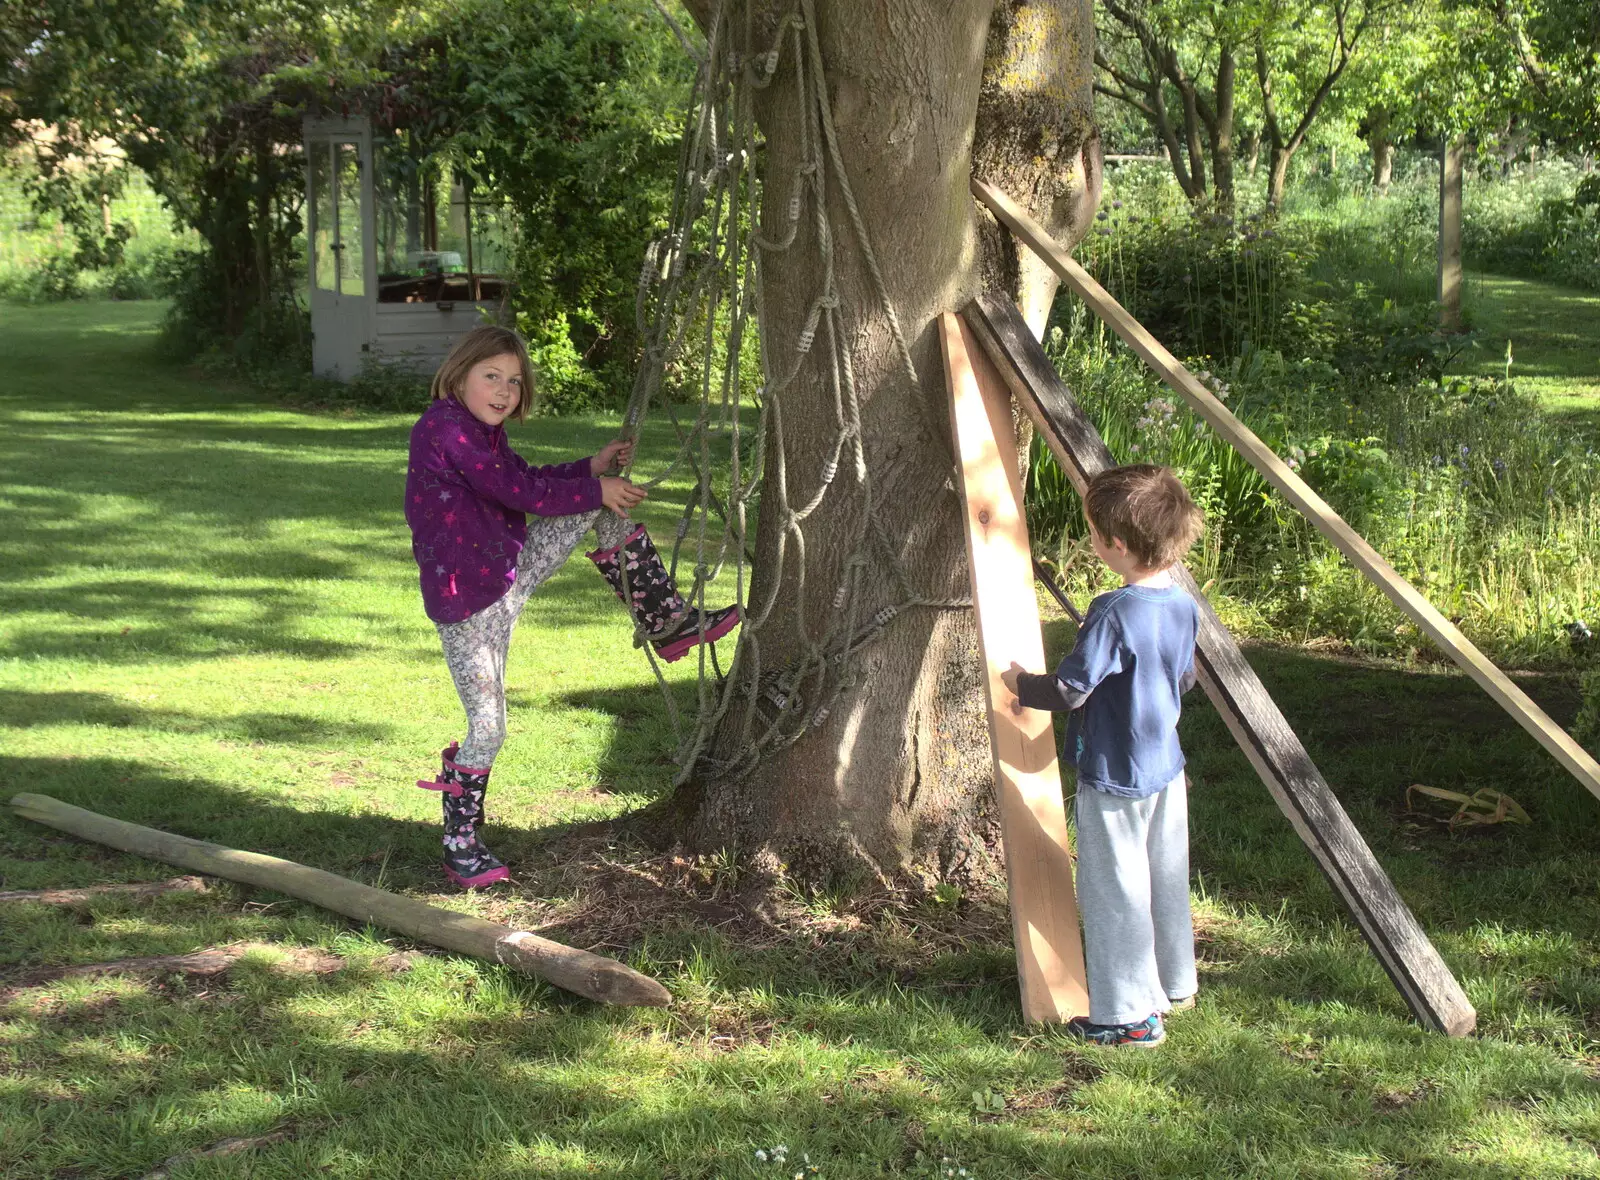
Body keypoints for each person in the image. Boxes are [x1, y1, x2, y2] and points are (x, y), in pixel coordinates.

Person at [405, 325, 740, 888]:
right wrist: (595, 489)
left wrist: (590, 470)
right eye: (492, 376)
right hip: (468, 606)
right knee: (488, 728)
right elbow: (515, 492)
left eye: (513, 381)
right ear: (460, 374)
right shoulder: (444, 428)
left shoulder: (481, 433)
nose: (505, 391)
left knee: (599, 502)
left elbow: (523, 479)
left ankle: (665, 620)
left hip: (505, 577)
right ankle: (460, 845)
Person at [1000, 464, 1205, 1047]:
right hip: (1166, 768)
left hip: (1115, 776)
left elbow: (1070, 690)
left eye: (1093, 533)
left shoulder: (1113, 611)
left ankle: (1127, 1017)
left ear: (1115, 544)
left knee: (1113, 891)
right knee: (1164, 876)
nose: (1092, 542)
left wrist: (1020, 683)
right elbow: (1182, 678)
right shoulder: (1183, 604)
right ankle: (1175, 982)